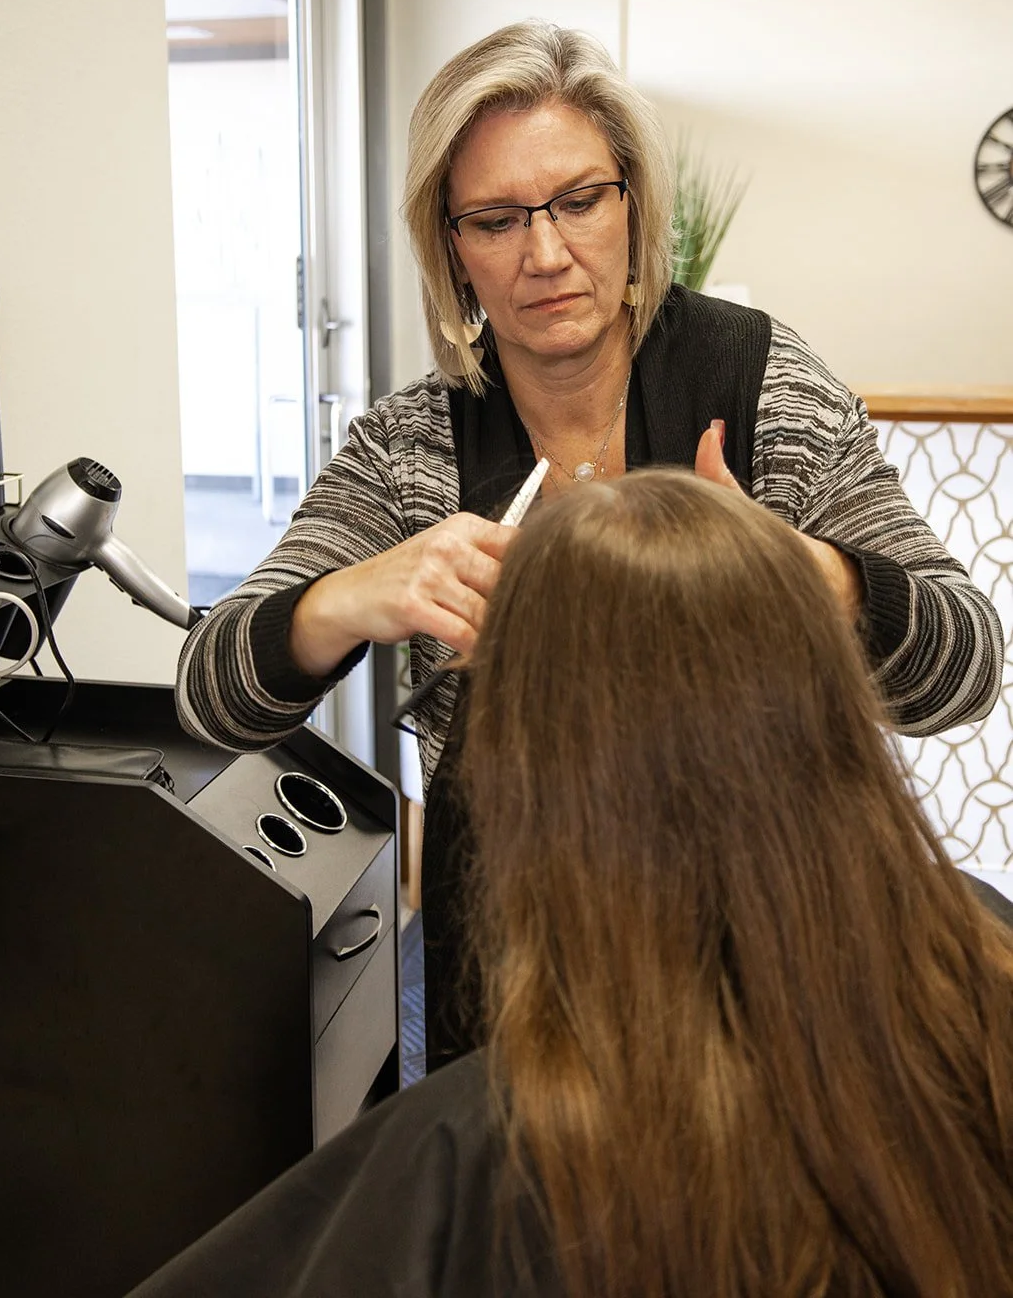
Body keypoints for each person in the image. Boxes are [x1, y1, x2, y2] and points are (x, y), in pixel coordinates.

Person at [174, 20, 1002, 1055]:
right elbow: (210, 696)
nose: (546, 253)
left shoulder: (759, 388)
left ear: (631, 205)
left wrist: (806, 577)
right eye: (495, 220)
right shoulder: (409, 448)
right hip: (516, 974)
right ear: (450, 247)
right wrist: (349, 597)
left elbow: (962, 671)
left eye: (578, 201)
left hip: (773, 958)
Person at [133, 472, 1013, 1298]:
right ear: (828, 709)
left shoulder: (475, 1152)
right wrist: (331, 599)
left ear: (530, 764)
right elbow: (216, 685)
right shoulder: (984, 962)